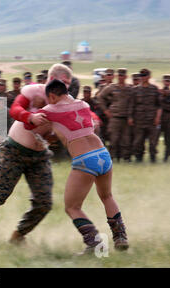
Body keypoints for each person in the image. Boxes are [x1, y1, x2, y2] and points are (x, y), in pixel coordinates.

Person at [0, 63, 72, 248]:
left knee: (44, 202)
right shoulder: (35, 92)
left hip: (39, 156)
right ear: (50, 79)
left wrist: (56, 135)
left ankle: (18, 235)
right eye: (63, 82)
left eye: (68, 83)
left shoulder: (67, 103)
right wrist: (30, 116)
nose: (66, 87)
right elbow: (15, 108)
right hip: (14, 150)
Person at [36, 79, 128, 253]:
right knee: (107, 196)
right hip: (103, 154)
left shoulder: (50, 110)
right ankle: (120, 237)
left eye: (48, 99)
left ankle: (95, 244)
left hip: (85, 159)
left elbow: (30, 124)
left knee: (72, 207)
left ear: (52, 96)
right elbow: (75, 126)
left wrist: (34, 112)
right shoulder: (83, 104)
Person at [98, 68, 133, 162]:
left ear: (126, 76)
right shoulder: (112, 87)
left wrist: (130, 116)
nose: (121, 77)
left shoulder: (129, 88)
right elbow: (100, 97)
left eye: (123, 75)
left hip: (126, 118)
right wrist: (105, 110)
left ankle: (126, 158)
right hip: (115, 118)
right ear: (117, 76)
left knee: (126, 139)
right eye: (119, 75)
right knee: (113, 139)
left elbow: (132, 103)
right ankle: (112, 158)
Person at [128, 69, 162, 163]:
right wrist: (130, 117)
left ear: (149, 76)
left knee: (152, 142)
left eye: (145, 75)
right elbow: (131, 105)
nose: (143, 77)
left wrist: (157, 118)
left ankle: (153, 158)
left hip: (151, 120)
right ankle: (139, 159)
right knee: (138, 142)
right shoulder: (135, 90)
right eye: (141, 75)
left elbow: (159, 105)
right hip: (139, 120)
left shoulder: (154, 89)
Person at [160, 75, 170, 161]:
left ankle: (166, 157)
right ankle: (153, 156)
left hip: (168, 121)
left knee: (168, 140)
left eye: (168, 81)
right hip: (158, 120)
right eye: (166, 81)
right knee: (154, 140)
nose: (167, 83)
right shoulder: (159, 92)